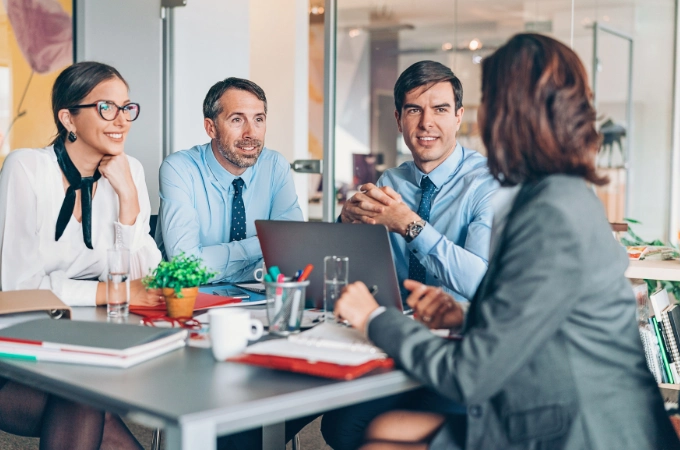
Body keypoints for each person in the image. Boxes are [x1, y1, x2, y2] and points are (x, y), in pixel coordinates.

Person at [332, 33, 680, 450]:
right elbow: (537, 314)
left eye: (491, 102)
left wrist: (373, 318)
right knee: (372, 428)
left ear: (514, 114)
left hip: (577, 427)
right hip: (563, 399)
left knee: (379, 440)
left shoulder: (548, 213)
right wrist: (465, 318)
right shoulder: (554, 194)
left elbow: (471, 374)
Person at [0, 61, 162, 448]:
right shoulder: (26, 168)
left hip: (84, 343)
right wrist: (112, 292)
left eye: (127, 108)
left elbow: (147, 273)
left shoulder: (130, 171)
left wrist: (128, 200)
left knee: (86, 392)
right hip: (14, 353)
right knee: (84, 392)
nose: (121, 119)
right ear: (68, 118)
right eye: (106, 107)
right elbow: (19, 290)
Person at [339, 60, 498, 303]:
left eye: (440, 109)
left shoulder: (488, 183)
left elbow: (481, 284)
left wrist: (409, 224)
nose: (426, 123)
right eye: (414, 110)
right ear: (398, 120)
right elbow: (360, 266)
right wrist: (346, 224)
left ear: (458, 117)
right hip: (392, 320)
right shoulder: (391, 181)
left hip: (456, 327)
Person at [156, 77, 303, 283]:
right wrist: (265, 244)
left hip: (259, 300)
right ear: (211, 128)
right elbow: (186, 267)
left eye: (258, 119)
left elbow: (293, 253)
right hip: (189, 301)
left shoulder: (275, 166)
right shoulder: (180, 169)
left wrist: (210, 260)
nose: (251, 133)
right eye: (237, 120)